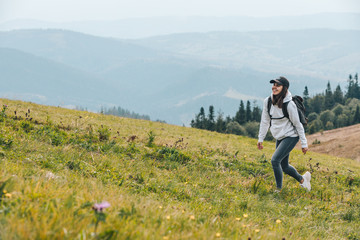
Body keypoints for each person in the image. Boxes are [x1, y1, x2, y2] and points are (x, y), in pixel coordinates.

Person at [257, 76, 311, 192]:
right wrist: (260, 138)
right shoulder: (268, 102)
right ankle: (303, 180)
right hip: (280, 136)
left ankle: (278, 190)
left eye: (278, 85)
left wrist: (304, 143)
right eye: (274, 85)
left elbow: (298, 125)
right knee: (284, 166)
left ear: (284, 88)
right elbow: (265, 121)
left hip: (291, 136)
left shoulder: (289, 105)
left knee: (275, 160)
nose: (274, 87)